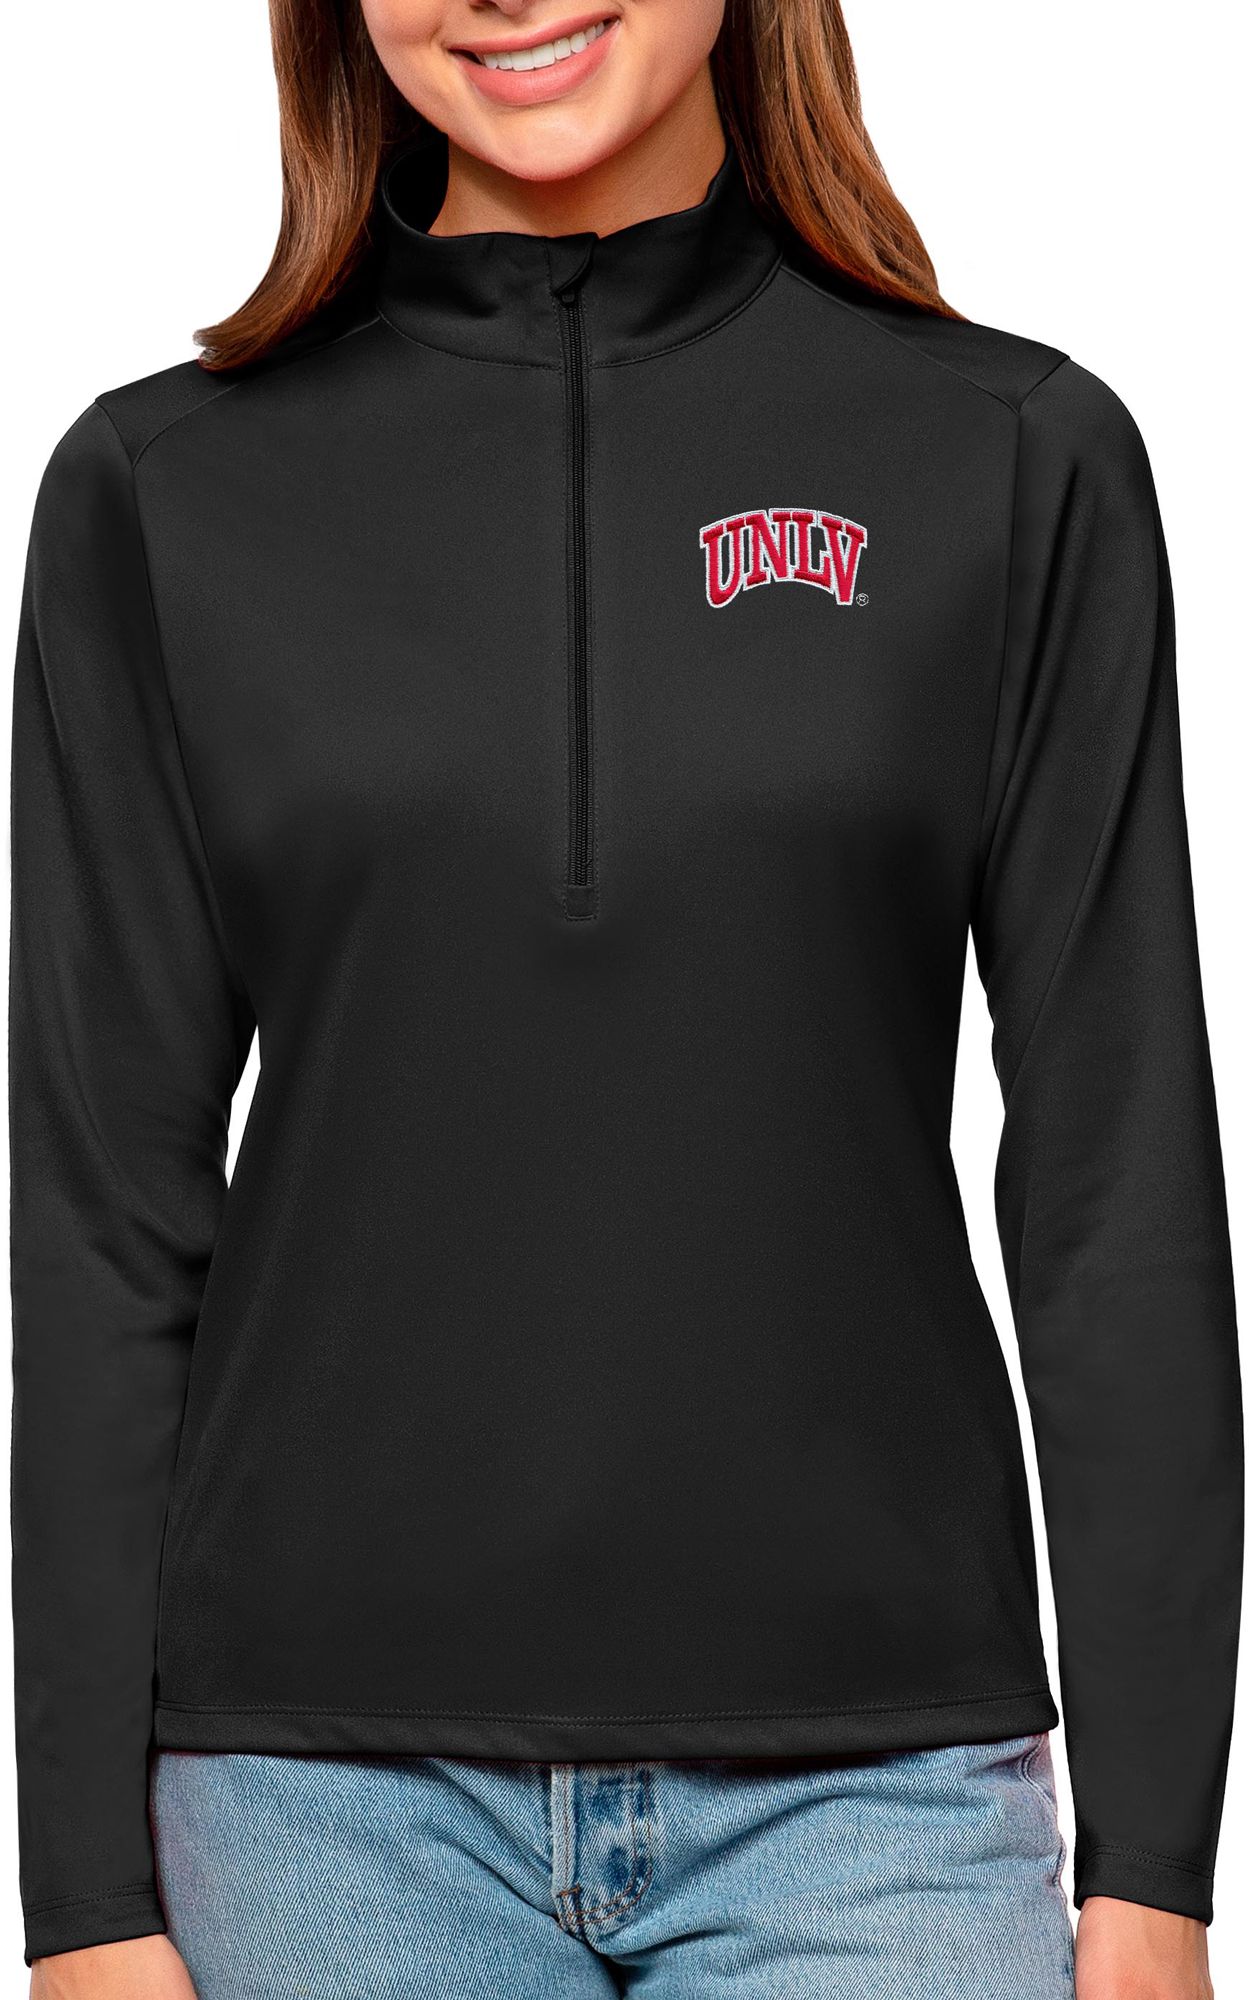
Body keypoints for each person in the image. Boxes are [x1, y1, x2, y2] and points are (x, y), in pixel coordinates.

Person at [8, 3, 1241, 1996]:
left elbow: (1117, 1184)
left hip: (882, 1805)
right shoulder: (161, 489)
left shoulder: (1011, 456)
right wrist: (82, 1902)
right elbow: (95, 1223)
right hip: (314, 1812)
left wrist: (1156, 1874)